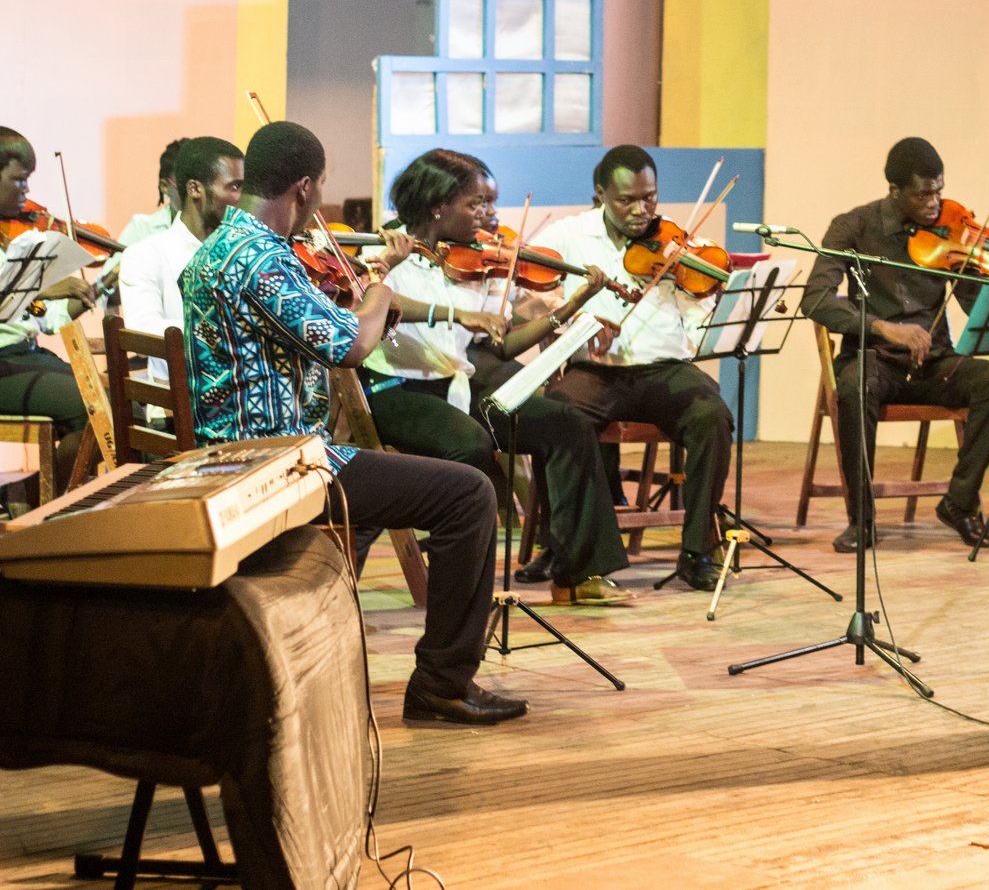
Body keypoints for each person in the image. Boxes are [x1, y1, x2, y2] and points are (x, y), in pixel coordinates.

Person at [181, 120, 524, 725]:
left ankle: (324, 641)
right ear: (305, 188)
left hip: (231, 455)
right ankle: (442, 683)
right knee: (469, 493)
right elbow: (351, 346)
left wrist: (356, 298)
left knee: (388, 494)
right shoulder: (260, 259)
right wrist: (380, 285)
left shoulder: (220, 249)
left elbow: (307, 329)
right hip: (278, 466)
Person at [359, 147, 631, 606]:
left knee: (567, 424)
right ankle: (460, 576)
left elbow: (500, 345)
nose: (490, 214)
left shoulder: (476, 262)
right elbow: (382, 307)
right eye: (477, 203)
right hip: (397, 390)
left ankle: (577, 575)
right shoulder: (384, 252)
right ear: (437, 206)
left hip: (458, 385)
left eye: (491, 202)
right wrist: (452, 310)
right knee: (471, 443)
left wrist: (572, 305)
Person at [801, 136, 989, 553]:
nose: (934, 202)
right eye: (923, 194)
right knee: (855, 387)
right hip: (875, 360)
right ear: (895, 191)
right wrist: (883, 328)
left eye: (939, 191)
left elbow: (972, 305)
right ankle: (863, 519)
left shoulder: (950, 232)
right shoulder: (852, 226)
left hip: (934, 361)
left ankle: (959, 503)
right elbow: (815, 299)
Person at [537, 145, 734, 592]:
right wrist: (579, 326)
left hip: (665, 368)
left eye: (650, 197)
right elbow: (538, 299)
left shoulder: (675, 245)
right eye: (627, 199)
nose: (641, 210)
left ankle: (697, 549)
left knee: (712, 416)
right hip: (598, 370)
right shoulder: (569, 236)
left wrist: (702, 296)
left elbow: (696, 322)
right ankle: (579, 552)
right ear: (600, 193)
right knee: (560, 414)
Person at [0, 127, 97, 489]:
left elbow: (39, 317)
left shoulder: (9, 240)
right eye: (20, 180)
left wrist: (89, 292)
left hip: (25, 355)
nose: (26, 192)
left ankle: (35, 492)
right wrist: (41, 286)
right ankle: (47, 503)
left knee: (120, 408)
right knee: (94, 412)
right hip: (3, 365)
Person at [118, 136, 244, 382]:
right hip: (179, 405)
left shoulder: (242, 253)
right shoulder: (145, 254)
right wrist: (223, 330)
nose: (243, 199)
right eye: (234, 187)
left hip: (242, 403)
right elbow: (142, 331)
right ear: (195, 188)